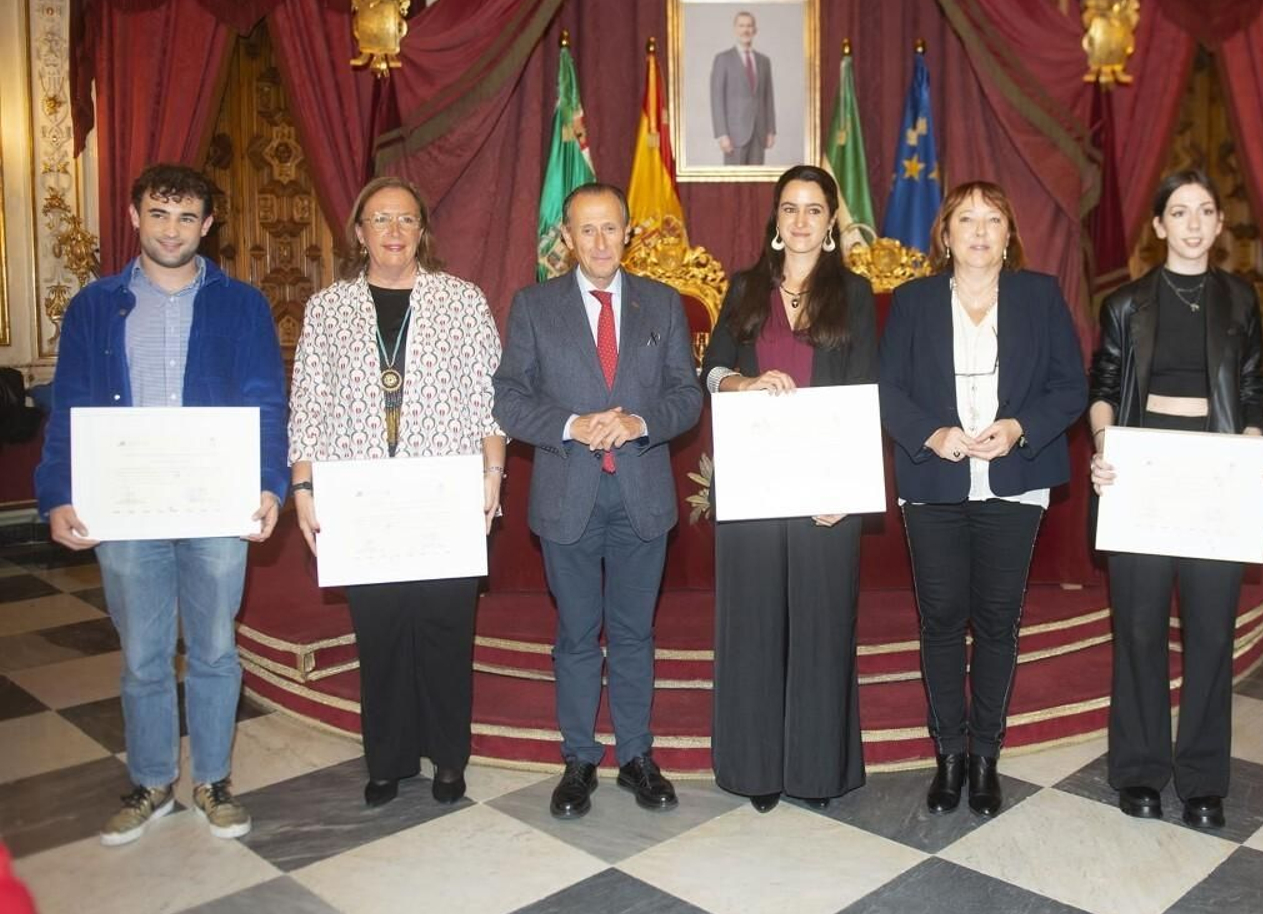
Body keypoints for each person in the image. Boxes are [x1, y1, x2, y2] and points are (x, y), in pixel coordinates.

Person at [36, 163, 287, 845]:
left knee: (213, 646)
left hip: (216, 502)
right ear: (134, 216)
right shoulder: (95, 305)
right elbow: (69, 409)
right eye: (158, 214)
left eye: (185, 218)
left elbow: (267, 400)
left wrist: (270, 484)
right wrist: (58, 494)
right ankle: (151, 783)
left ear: (207, 225)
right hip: (126, 507)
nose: (170, 229)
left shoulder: (243, 306)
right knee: (144, 652)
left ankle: (212, 780)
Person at [289, 175, 506, 807]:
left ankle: (448, 757)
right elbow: (308, 405)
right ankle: (386, 757)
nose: (393, 231)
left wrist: (492, 479)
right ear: (359, 232)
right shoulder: (328, 309)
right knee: (379, 633)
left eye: (405, 219)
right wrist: (304, 486)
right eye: (379, 219)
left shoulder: (461, 301)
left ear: (421, 231)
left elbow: (489, 398)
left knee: (444, 629)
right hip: (360, 500)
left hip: (445, 491)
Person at [493, 182, 703, 819]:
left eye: (610, 228)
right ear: (566, 239)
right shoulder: (533, 306)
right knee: (578, 635)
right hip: (568, 497)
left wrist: (639, 422)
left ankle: (637, 756)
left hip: (641, 496)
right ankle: (579, 759)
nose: (600, 241)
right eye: (587, 230)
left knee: (636, 634)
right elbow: (508, 397)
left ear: (629, 232)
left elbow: (686, 396)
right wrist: (570, 425)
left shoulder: (663, 306)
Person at [879, 181, 1088, 816]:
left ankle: (986, 756)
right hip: (936, 483)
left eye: (991, 219)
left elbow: (1069, 385)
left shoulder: (1039, 295)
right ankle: (948, 755)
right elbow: (888, 388)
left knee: (998, 622)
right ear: (944, 235)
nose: (978, 231)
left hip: (1014, 482)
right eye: (965, 219)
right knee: (941, 621)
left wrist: (1020, 427)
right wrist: (931, 433)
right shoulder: (913, 301)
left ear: (1007, 235)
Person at [1087, 169, 1263, 832]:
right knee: (1139, 632)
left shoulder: (1240, 299)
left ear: (1220, 226)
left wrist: (1257, 450)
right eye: (1180, 211)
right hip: (1143, 473)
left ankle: (1203, 778)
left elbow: (1253, 387)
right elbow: (1105, 386)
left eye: (1207, 210)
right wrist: (1103, 447)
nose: (1194, 222)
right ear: (1159, 226)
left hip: (1218, 475)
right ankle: (1139, 769)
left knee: (1210, 636)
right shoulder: (1125, 303)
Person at [701, 165, 877, 811]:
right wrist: (742, 384)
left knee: (823, 629)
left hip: (827, 490)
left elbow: (866, 391)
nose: (800, 221)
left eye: (813, 210)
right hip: (756, 483)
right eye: (790, 209)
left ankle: (816, 771)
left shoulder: (853, 293)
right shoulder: (746, 287)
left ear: (832, 224)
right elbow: (712, 367)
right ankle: (757, 770)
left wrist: (849, 488)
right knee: (752, 627)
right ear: (775, 220)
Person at [710, 11, 776, 166]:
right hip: (734, 135)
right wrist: (721, 134)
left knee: (758, 184)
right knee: (734, 185)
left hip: (759, 133)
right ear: (735, 29)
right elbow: (716, 99)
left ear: (755, 30)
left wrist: (771, 130)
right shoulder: (723, 59)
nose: (745, 30)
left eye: (749, 26)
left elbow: (768, 97)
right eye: (741, 26)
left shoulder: (764, 61)